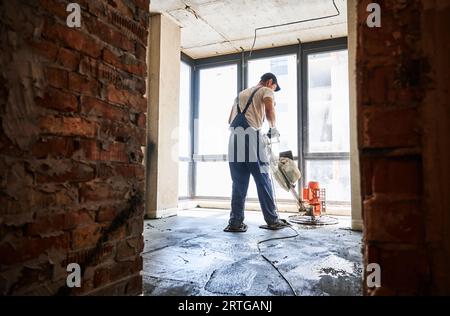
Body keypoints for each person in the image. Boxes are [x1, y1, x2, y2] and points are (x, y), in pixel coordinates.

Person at [224, 73, 290, 233]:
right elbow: (269, 108)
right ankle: (272, 220)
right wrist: (273, 128)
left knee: (239, 182)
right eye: (274, 87)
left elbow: (229, 120)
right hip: (251, 136)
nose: (273, 90)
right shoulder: (266, 91)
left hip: (234, 138)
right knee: (263, 178)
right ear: (269, 82)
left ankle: (235, 223)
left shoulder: (241, 94)